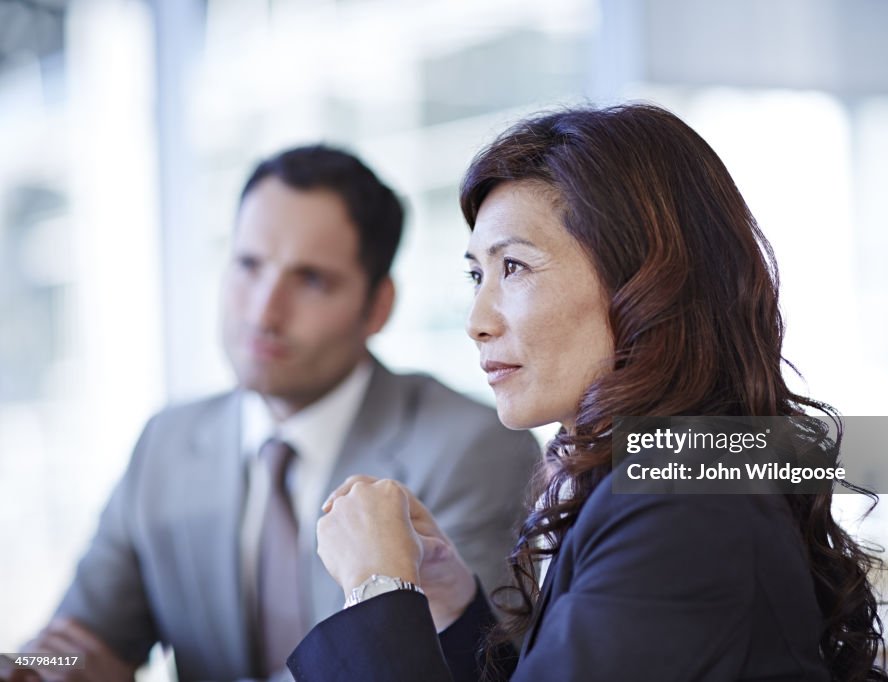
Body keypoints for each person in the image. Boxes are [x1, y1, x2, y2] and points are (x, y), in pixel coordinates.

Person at [287, 105, 888, 681]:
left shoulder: (681, 503)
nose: (477, 318)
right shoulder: (676, 466)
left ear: (644, 281)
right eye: (477, 275)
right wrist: (446, 600)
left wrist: (379, 589)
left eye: (514, 268)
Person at [17, 145, 539, 682]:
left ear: (378, 307)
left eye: (311, 280)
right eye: (248, 265)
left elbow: (433, 670)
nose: (263, 312)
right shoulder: (166, 444)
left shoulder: (474, 446)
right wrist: (28, 665)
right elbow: (77, 642)